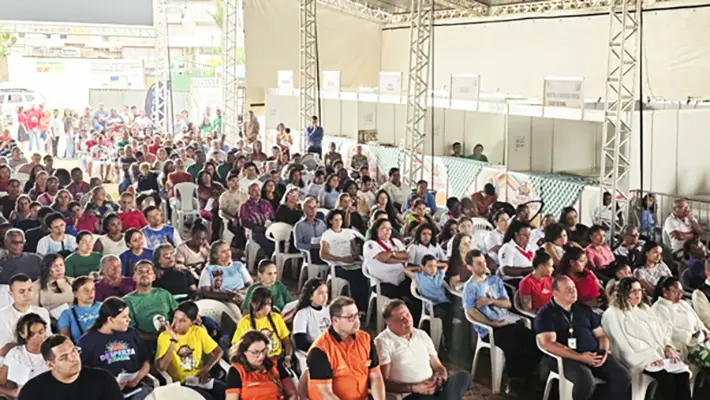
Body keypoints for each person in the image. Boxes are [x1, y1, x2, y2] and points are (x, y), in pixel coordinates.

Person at [535, 275, 631, 400]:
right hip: (567, 358)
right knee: (586, 382)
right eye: (568, 289)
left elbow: (601, 335)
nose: (573, 291)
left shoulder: (583, 309)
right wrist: (580, 357)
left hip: (594, 354)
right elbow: (549, 344)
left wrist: (602, 352)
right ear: (555, 293)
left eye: (574, 287)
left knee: (623, 376)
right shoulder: (546, 314)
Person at [462, 249, 541, 392]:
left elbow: (508, 304)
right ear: (469, 267)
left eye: (484, 262)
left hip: (507, 321)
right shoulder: (470, 287)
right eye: (478, 263)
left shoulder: (495, 281)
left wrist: (491, 301)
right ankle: (514, 380)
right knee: (514, 345)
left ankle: (524, 377)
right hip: (490, 328)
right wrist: (491, 324)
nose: (483, 265)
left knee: (534, 341)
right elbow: (471, 311)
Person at [602, 277, 692, 400]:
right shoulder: (613, 314)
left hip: (658, 355)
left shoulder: (644, 309)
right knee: (667, 380)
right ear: (623, 293)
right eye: (634, 291)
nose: (638, 294)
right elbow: (623, 343)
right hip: (639, 358)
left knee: (682, 374)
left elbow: (661, 330)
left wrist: (667, 347)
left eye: (640, 290)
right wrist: (650, 357)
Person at [375, 299, 471, 400]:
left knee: (464, 376)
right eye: (401, 318)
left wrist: (441, 376)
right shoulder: (383, 342)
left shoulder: (421, 334)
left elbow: (438, 365)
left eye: (408, 314)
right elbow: (382, 382)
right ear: (389, 324)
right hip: (410, 395)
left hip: (433, 388)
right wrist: (414, 388)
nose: (407, 320)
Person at [307, 296, 385, 400]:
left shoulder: (365, 338)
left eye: (357, 315)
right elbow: (327, 395)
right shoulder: (319, 350)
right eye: (350, 317)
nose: (357, 321)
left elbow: (376, 376)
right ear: (335, 320)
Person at [78, 297, 153, 400]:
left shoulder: (132, 333)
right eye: (124, 317)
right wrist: (108, 385)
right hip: (105, 393)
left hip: (136, 389)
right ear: (110, 319)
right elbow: (83, 374)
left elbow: (146, 362)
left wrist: (137, 379)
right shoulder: (87, 341)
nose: (129, 320)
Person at [17, 334, 124, 400]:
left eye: (74, 351)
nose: (73, 358)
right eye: (64, 357)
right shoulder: (32, 391)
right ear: (50, 365)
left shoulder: (103, 379)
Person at [156, 301, 226, 400]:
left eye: (182, 321)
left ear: (192, 322)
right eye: (175, 318)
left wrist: (206, 368)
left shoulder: (198, 331)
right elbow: (162, 367)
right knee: (207, 397)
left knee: (225, 390)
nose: (176, 324)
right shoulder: (165, 336)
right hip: (182, 382)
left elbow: (218, 351)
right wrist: (174, 340)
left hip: (199, 378)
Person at [364, 218, 421, 323]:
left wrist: (392, 254)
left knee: (417, 295)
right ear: (376, 230)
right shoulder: (370, 244)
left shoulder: (395, 242)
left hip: (400, 279)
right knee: (399, 303)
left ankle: (413, 324)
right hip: (382, 282)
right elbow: (382, 258)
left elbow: (406, 256)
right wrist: (397, 257)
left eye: (389, 229)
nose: (388, 231)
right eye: (384, 228)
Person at [652, 277, 710, 367]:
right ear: (665, 292)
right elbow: (666, 333)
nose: (679, 295)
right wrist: (692, 337)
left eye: (681, 291)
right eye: (675, 292)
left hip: (702, 339)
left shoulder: (683, 304)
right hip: (686, 347)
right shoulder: (659, 309)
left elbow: (698, 322)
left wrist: (706, 332)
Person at [226, 330, 297, 400]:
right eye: (255, 352)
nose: (261, 356)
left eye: (263, 350)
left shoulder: (275, 364)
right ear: (244, 352)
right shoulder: (236, 370)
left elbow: (292, 394)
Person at [231, 287, 293, 364]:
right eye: (264, 304)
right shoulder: (245, 322)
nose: (267, 307)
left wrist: (288, 357)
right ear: (254, 304)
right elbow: (236, 347)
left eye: (269, 304)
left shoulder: (276, 318)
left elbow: (287, 341)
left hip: (277, 359)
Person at [123, 261, 178, 345]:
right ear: (134, 277)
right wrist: (158, 338)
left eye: (148, 272)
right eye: (140, 272)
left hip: (172, 337)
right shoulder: (127, 301)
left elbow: (178, 312)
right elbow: (131, 331)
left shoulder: (164, 294)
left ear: (154, 277)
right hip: (146, 343)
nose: (144, 274)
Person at [404, 255, 453, 350]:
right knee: (447, 315)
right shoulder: (420, 277)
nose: (433, 269)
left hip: (445, 303)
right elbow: (405, 270)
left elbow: (446, 265)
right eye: (430, 266)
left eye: (435, 266)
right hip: (433, 306)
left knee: (459, 311)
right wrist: (418, 268)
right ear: (423, 267)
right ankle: (447, 342)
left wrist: (436, 264)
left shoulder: (439, 274)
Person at [0, 274, 52, 356]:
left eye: (30, 290)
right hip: (13, 357)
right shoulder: (2, 315)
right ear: (11, 294)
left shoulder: (42, 312)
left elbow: (48, 338)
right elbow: (4, 349)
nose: (27, 294)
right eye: (22, 291)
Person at [0, 313, 49, 396]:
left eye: (41, 332)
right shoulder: (16, 354)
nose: (37, 337)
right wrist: (14, 392)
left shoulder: (54, 350)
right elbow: (1, 383)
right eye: (32, 334)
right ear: (22, 334)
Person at [58, 276, 101, 344]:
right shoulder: (67, 314)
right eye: (86, 290)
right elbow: (64, 339)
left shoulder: (103, 306)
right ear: (75, 294)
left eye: (93, 289)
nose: (90, 293)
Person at [292, 279, 331, 355]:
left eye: (326, 292)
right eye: (320, 293)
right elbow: (300, 342)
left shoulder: (329, 310)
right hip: (312, 352)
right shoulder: (302, 314)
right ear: (310, 296)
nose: (325, 296)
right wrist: (320, 350)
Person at [239, 181, 275, 257]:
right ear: (249, 193)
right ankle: (270, 258)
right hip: (254, 231)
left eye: (258, 190)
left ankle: (275, 258)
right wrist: (257, 227)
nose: (257, 193)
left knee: (279, 239)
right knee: (268, 242)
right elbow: (242, 222)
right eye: (254, 190)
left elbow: (272, 217)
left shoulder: (266, 203)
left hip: (267, 229)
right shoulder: (245, 205)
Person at [294, 197, 328, 264]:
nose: (313, 209)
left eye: (314, 207)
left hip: (323, 250)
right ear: (304, 209)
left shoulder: (321, 223)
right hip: (311, 253)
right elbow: (298, 244)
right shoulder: (299, 225)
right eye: (310, 207)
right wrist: (312, 246)